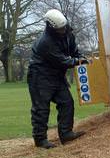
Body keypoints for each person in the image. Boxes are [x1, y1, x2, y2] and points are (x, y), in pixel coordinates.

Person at [27, 9, 87, 149]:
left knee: (66, 102)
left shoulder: (68, 33)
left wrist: (81, 57)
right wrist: (78, 62)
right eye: (59, 29)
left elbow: (74, 52)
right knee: (41, 108)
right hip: (39, 75)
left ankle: (66, 134)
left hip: (56, 75)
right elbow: (63, 61)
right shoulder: (45, 42)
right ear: (50, 27)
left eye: (64, 27)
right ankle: (40, 140)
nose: (62, 30)